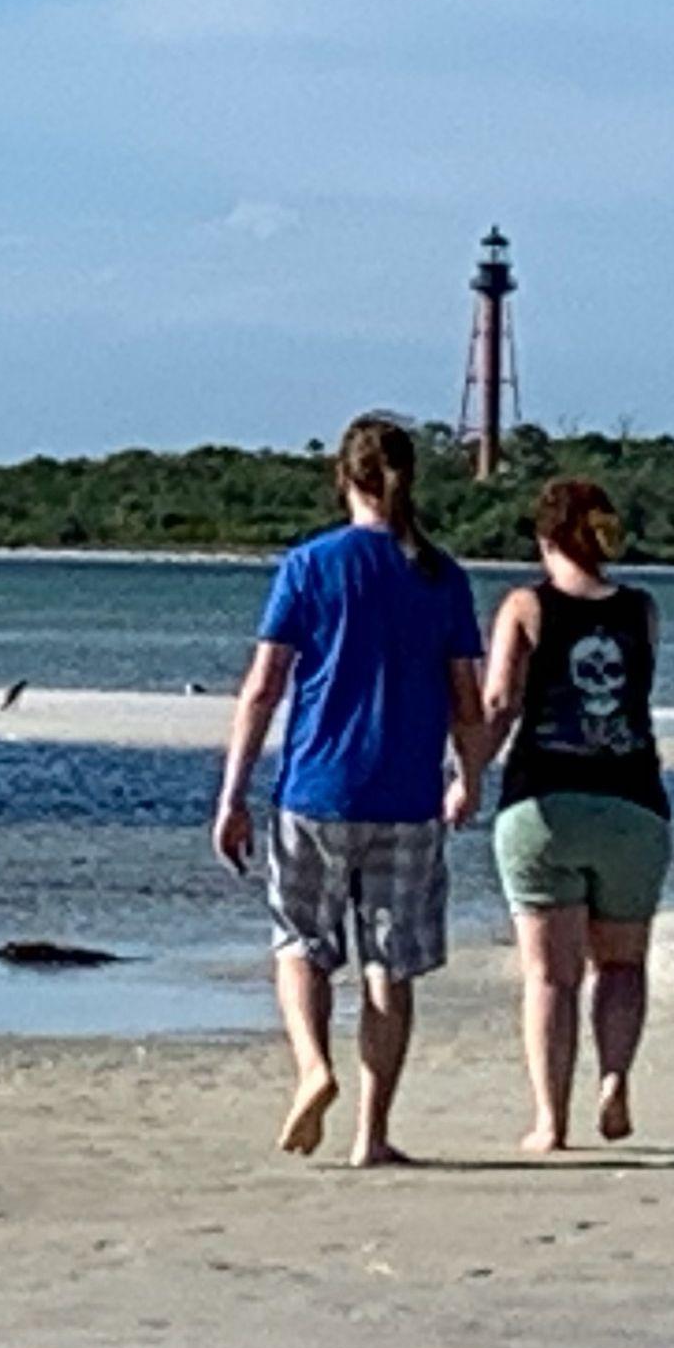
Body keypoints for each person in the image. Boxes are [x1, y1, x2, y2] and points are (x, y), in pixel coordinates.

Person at [214, 415, 488, 1167]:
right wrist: (469, 777)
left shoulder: (310, 564)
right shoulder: (443, 577)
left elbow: (264, 687)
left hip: (317, 790)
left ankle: (313, 1066)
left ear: (345, 479)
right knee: (388, 967)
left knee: (300, 944)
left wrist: (232, 793)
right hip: (407, 796)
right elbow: (468, 701)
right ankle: (372, 1134)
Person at [480, 476, 671, 1154]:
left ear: (545, 536)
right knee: (621, 965)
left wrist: (465, 773)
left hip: (544, 802)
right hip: (633, 805)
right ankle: (614, 1076)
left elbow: (500, 703)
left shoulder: (526, 606)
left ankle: (550, 1122)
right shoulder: (642, 610)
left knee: (551, 975)